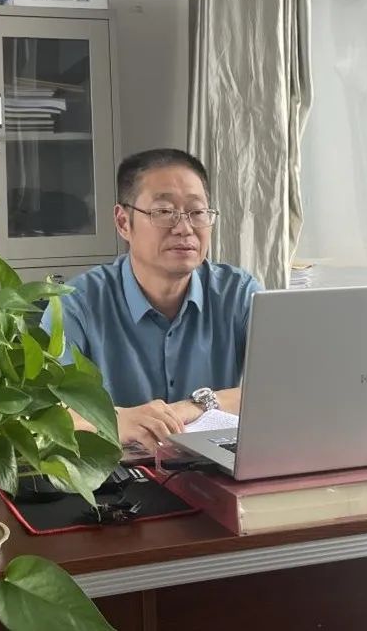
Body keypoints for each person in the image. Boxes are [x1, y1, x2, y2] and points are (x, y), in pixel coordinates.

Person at [42, 148, 262, 450]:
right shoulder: (75, 305)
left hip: (212, 466)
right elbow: (47, 412)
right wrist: (116, 420)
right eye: (164, 212)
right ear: (123, 222)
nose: (184, 228)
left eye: (197, 212)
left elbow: (282, 386)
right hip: (117, 470)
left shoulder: (239, 293)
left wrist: (198, 405)